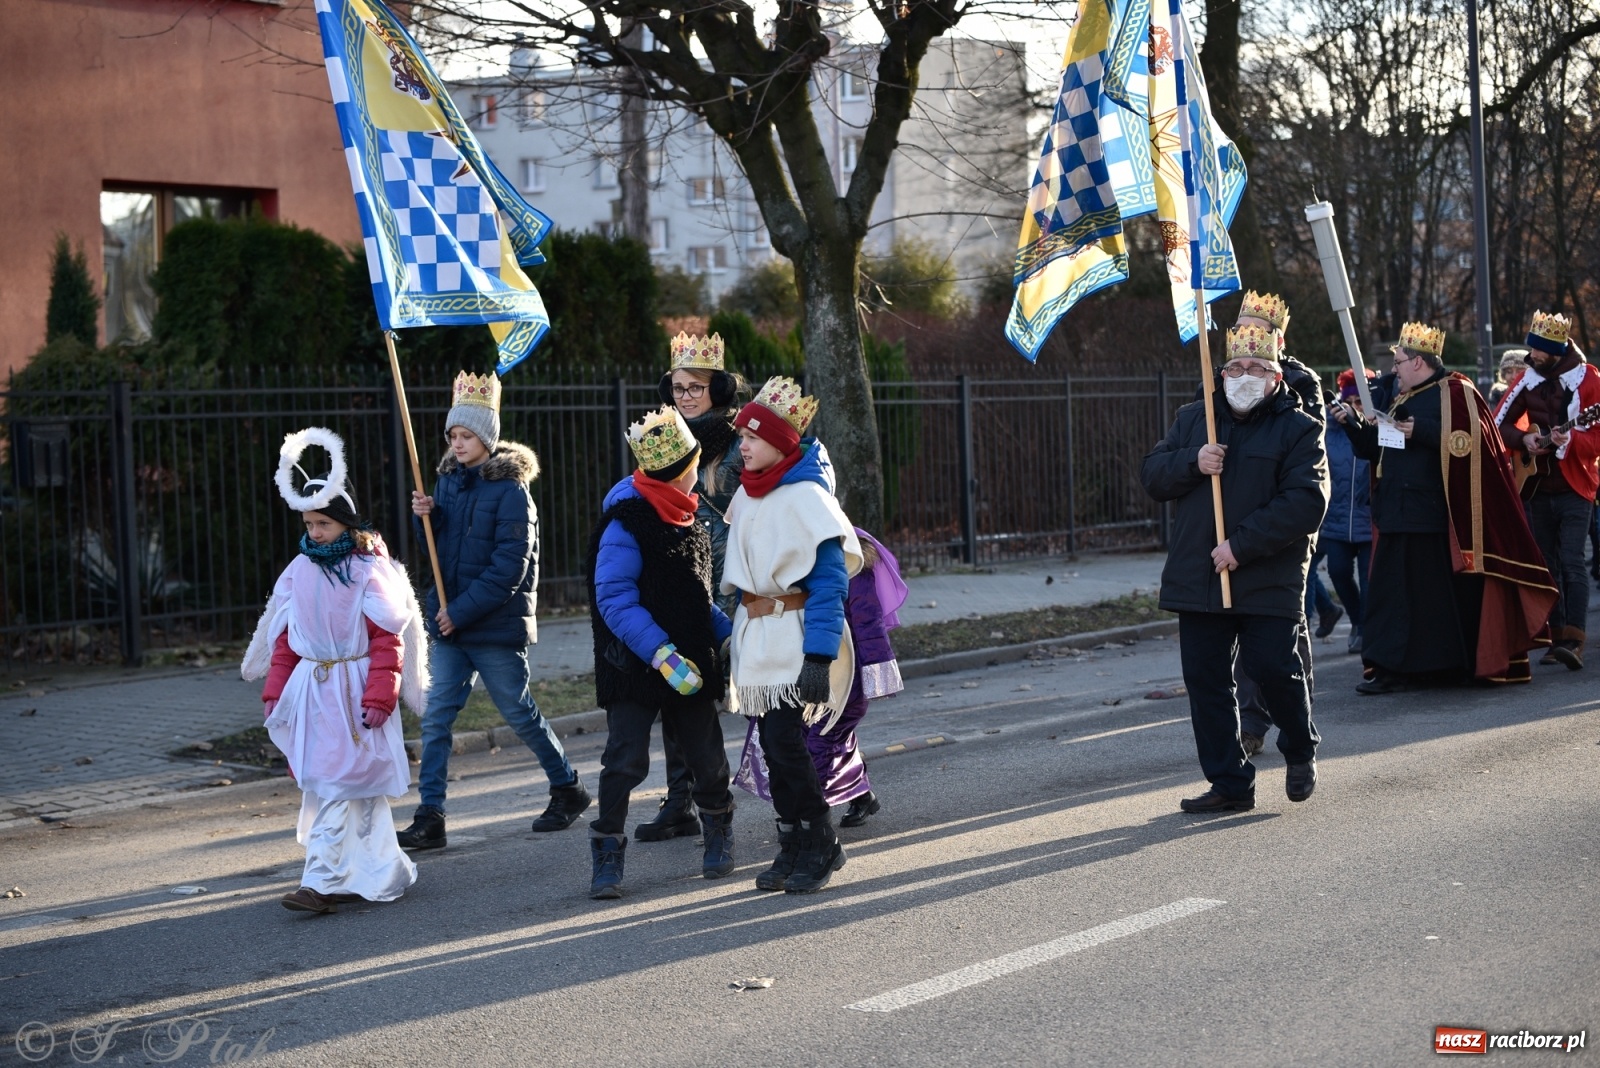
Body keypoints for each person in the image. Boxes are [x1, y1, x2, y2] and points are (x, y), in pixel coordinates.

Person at [396, 372, 589, 851]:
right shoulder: (447, 482)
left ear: (486, 437)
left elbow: (509, 569)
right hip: (451, 624)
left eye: (466, 435)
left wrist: (459, 612)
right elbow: (439, 552)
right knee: (436, 718)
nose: (457, 444)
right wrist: (428, 518)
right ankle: (430, 815)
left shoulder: (512, 492)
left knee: (518, 713)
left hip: (493, 626)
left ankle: (568, 787)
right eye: (452, 435)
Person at [1139, 325, 1327, 813]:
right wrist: (1193, 461)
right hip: (1199, 576)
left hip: (1267, 573)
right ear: (1221, 374)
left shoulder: (1300, 428)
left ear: (1276, 376)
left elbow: (1306, 502)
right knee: (1207, 683)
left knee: (1273, 668)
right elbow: (1153, 475)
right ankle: (1230, 782)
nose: (1244, 376)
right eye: (1236, 368)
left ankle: (1300, 747)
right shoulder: (1194, 419)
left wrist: (1241, 546)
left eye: (1256, 368)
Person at [243, 427, 427, 914]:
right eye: (309, 523)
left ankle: (319, 881)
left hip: (354, 690)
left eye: (323, 523)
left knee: (346, 782)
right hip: (313, 692)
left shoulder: (368, 570)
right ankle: (383, 869)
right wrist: (275, 693)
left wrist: (380, 695)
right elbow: (285, 639)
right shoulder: (298, 570)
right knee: (344, 786)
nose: (315, 532)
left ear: (345, 522)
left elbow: (387, 638)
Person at [1334, 322, 1557, 693]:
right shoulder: (1402, 397)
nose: (1394, 369)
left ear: (1418, 362)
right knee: (1393, 597)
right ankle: (1393, 668)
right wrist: (1354, 427)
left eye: (1399, 362)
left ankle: (1428, 669)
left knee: (1427, 601)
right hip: (1394, 511)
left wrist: (1419, 430)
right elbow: (1381, 448)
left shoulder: (1456, 391)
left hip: (1431, 516)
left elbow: (1468, 442)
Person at [584, 405, 737, 899]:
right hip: (634, 662)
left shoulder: (688, 518)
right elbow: (614, 599)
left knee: (706, 755)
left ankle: (718, 827)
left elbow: (696, 598)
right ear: (680, 471)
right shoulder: (626, 524)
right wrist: (662, 656)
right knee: (624, 760)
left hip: (690, 657)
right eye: (695, 466)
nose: (699, 474)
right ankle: (607, 850)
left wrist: (731, 635)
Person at [722, 376, 863, 891]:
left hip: (796, 638)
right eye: (741, 437)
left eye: (751, 438)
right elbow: (742, 583)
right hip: (758, 640)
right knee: (771, 745)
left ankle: (822, 840)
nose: (742, 446)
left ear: (779, 442)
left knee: (784, 742)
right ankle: (793, 841)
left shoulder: (807, 498)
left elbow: (828, 585)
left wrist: (819, 658)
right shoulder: (747, 494)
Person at [634, 332, 746, 845]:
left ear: (717, 389)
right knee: (680, 694)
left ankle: (827, 786)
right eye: (678, 388)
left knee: (767, 699)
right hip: (688, 587)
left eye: (695, 387)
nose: (685, 396)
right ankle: (680, 802)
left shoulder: (741, 442)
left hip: (741, 588)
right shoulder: (662, 441)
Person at [733, 527, 907, 828]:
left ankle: (813, 819)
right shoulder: (796, 556)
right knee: (811, 738)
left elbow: (868, 621)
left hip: (846, 676)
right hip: (804, 669)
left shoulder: (853, 561)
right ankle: (859, 795)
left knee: (820, 743)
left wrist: (876, 673)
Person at [1230, 292, 1322, 758]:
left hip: (1283, 525)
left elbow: (1309, 453)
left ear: (1278, 339)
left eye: (1257, 329)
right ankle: (1249, 722)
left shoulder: (1302, 382)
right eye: (1241, 327)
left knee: (1285, 627)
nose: (1247, 335)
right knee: (1241, 623)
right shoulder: (1225, 378)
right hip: (1237, 523)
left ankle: (1296, 719)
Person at [1492, 312, 1600, 670]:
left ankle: (1575, 639)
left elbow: (1597, 437)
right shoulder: (1527, 379)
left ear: (1555, 352)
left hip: (1575, 486)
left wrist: (1572, 440)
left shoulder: (1588, 380)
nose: (1531, 355)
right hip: (1536, 487)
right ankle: (1554, 637)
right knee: (1547, 563)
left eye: (1538, 350)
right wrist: (1523, 439)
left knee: (1572, 560)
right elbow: (1497, 424)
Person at [1321, 369, 1375, 656]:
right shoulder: (1330, 431)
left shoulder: (1375, 429)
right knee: (1338, 572)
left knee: (1368, 580)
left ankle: (1366, 631)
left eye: (1359, 401)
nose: (1354, 406)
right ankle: (1355, 619)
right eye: (1349, 400)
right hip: (1337, 518)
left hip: (1368, 519)